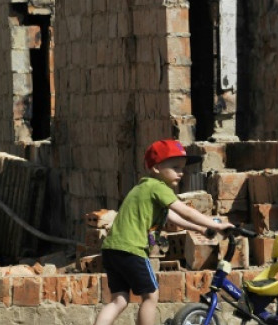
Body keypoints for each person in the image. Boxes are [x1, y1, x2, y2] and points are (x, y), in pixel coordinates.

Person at [94, 139, 233, 325]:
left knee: (119, 300)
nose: (181, 173)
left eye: (183, 168)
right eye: (175, 167)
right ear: (156, 168)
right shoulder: (158, 187)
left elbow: (172, 217)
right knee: (151, 296)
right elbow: (185, 210)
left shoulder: (143, 188)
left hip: (112, 250)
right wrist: (216, 225)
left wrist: (201, 228)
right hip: (132, 250)